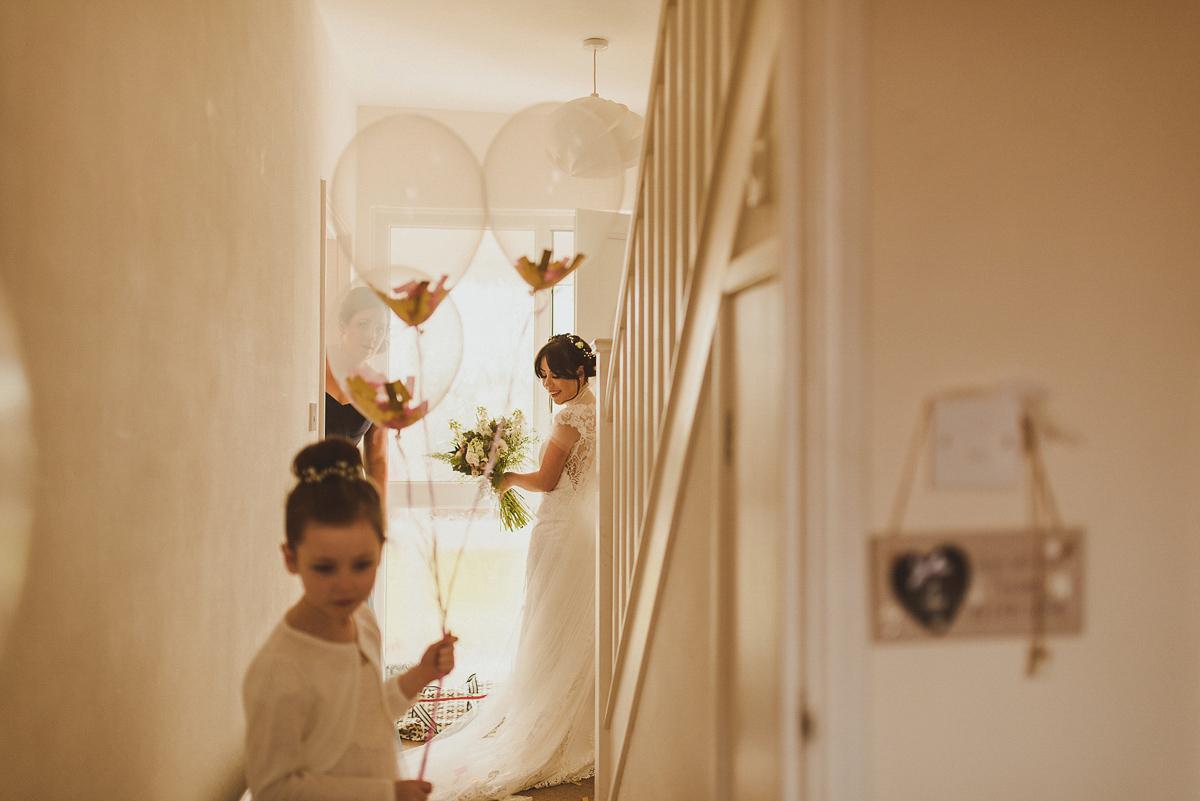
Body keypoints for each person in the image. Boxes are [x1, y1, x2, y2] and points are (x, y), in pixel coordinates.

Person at [407, 333, 598, 801]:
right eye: (543, 376)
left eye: (555, 375)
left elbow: (548, 480)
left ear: (579, 372)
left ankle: (544, 725)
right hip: (585, 532)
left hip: (559, 530)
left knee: (548, 623)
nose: (548, 384)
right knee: (567, 628)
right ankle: (572, 721)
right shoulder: (600, 409)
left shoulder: (571, 417)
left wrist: (503, 475)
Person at [243, 437, 457, 801]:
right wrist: (386, 793)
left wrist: (420, 675)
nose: (345, 586)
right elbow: (275, 789)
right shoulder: (280, 668)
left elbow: (367, 716)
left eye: (362, 564)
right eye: (324, 568)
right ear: (291, 559)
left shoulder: (362, 620)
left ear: (380, 551)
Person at [326, 286, 390, 504]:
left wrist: (379, 522)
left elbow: (377, 460)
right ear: (342, 325)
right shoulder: (312, 365)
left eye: (380, 329)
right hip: (306, 490)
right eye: (364, 325)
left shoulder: (379, 388)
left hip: (351, 499)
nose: (373, 336)